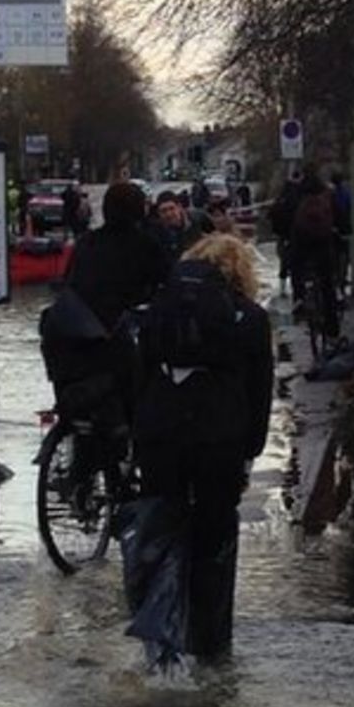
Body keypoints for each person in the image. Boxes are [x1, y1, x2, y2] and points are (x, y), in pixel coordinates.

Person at [129, 232, 274, 667]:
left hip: (161, 436)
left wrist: (140, 434)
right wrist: (250, 449)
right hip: (219, 438)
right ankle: (212, 649)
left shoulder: (160, 308)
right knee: (215, 540)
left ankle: (159, 644)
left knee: (161, 534)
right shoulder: (248, 318)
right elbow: (260, 389)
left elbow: (139, 374)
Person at [40, 181, 168, 433]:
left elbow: (69, 281)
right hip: (108, 339)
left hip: (64, 340)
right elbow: (165, 282)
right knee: (141, 392)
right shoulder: (145, 244)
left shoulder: (87, 242)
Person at [288, 165, 339, 339]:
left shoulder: (298, 192)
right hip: (323, 243)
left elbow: (287, 214)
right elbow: (338, 215)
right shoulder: (327, 194)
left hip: (302, 241)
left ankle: (299, 298)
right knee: (327, 284)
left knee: (296, 267)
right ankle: (333, 326)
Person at [150, 189, 213, 263]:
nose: (169, 214)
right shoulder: (156, 232)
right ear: (159, 213)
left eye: (171, 208)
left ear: (179, 207)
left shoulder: (198, 219)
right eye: (164, 211)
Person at [268, 169, 303, 298]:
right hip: (297, 234)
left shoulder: (283, 194)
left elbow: (271, 213)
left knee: (284, 261)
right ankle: (297, 288)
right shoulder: (300, 194)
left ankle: (282, 287)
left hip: (282, 234)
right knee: (297, 262)